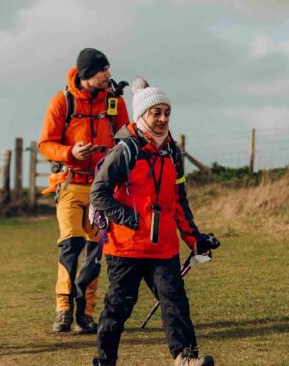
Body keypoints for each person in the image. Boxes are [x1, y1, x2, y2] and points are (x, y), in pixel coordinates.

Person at [89, 78, 215, 366]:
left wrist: (194, 239)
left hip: (163, 247)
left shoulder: (172, 152)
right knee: (118, 307)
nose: (161, 119)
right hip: (126, 248)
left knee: (175, 301)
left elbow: (179, 201)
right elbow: (99, 193)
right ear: (141, 115)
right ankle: (105, 361)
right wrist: (129, 219)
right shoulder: (125, 151)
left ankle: (185, 357)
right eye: (155, 113)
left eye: (166, 113)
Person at [39, 48, 130, 333]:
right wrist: (70, 152)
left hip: (102, 188)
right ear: (88, 73)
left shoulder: (114, 101)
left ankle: (85, 313)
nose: (109, 75)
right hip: (69, 184)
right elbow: (45, 144)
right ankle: (63, 309)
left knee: (95, 250)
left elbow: (126, 135)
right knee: (71, 243)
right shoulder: (61, 102)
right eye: (104, 70)